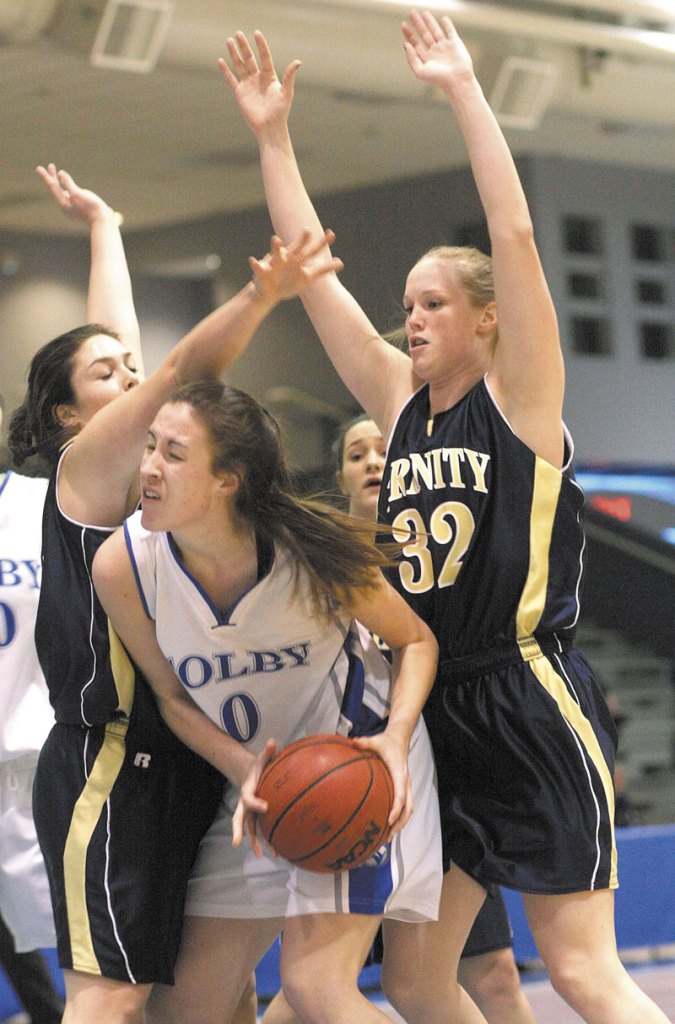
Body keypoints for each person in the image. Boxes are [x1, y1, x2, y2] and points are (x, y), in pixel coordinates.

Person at [220, 13, 671, 1024]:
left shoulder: (519, 399)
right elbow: (314, 276)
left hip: (525, 692)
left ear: (487, 317)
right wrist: (272, 138)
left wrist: (465, 89)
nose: (411, 316)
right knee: (423, 980)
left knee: (586, 970)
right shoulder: (398, 404)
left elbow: (510, 234)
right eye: (407, 302)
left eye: (432, 303)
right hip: (427, 716)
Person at [8, 162, 345, 1024]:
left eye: (132, 369)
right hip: (109, 763)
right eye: (108, 376)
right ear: (67, 418)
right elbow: (184, 371)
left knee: (215, 997)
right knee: (110, 998)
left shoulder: (163, 492)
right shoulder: (86, 480)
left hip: (190, 761)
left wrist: (104, 227)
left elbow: (135, 355)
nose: (131, 378)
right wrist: (262, 297)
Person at [91, 378, 442, 1024]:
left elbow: (414, 640)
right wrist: (242, 768)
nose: (148, 468)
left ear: (227, 480)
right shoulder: (123, 565)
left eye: (173, 453)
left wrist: (393, 739)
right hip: (255, 783)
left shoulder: (305, 551)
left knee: (315, 987)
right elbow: (170, 696)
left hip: (354, 766)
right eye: (148, 447)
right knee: (181, 1011)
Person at [260, 413, 536, 1024]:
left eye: (384, 449)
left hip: (434, 785)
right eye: (356, 454)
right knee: (307, 990)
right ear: (339, 474)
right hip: (348, 788)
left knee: (481, 971)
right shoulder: (311, 561)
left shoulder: (438, 560)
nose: (372, 461)